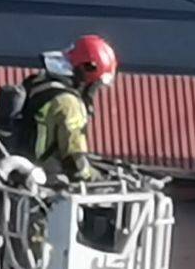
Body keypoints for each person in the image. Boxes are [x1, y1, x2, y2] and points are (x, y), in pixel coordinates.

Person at [9, 35, 117, 184]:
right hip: (46, 182)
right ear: (87, 72)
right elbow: (75, 164)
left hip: (19, 172)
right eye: (96, 85)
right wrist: (100, 178)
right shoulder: (70, 104)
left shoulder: (37, 83)